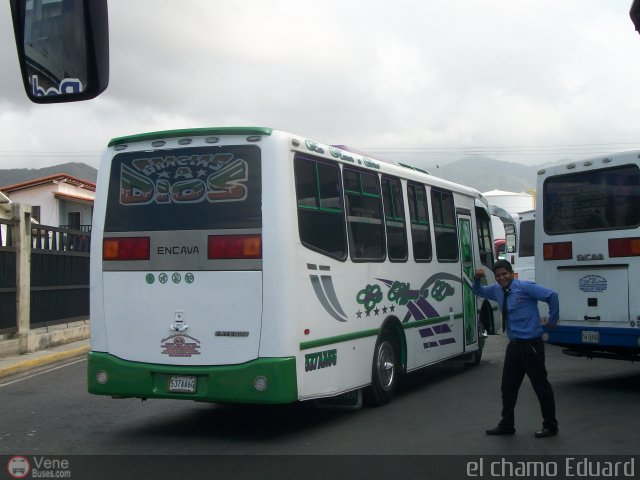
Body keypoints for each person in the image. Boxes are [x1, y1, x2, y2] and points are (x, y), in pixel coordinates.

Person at [473, 259, 559, 438]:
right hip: (514, 346)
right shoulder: (497, 290)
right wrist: (477, 280)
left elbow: (552, 295)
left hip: (531, 345)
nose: (502, 278)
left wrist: (552, 319)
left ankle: (550, 426)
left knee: (540, 386)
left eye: (505, 274)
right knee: (508, 387)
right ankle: (507, 424)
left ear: (512, 273)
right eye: (498, 276)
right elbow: (478, 291)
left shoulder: (525, 287)